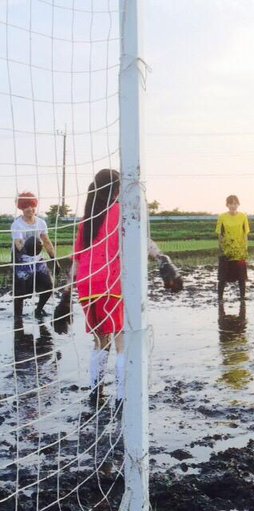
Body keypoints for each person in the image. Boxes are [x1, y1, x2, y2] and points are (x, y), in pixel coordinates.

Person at [70, 169, 124, 407]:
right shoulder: (121, 212)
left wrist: (65, 295)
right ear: (117, 189)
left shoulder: (87, 218)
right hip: (111, 284)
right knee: (122, 341)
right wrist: (163, 260)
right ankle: (122, 397)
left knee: (100, 341)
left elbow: (76, 260)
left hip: (87, 286)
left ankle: (95, 391)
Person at [11, 192, 58, 336]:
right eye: (26, 206)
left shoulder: (41, 222)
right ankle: (17, 318)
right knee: (20, 292)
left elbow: (46, 241)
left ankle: (38, 310)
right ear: (21, 208)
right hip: (21, 260)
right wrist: (29, 246)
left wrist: (54, 258)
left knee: (49, 286)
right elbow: (18, 244)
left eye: (31, 205)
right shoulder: (17, 225)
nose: (29, 209)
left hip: (37, 260)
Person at [216, 195, 250, 302]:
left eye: (235, 203)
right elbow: (219, 234)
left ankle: (242, 298)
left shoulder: (243, 216)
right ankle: (220, 299)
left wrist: (245, 249)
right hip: (226, 251)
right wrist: (221, 249)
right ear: (227, 205)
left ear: (238, 204)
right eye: (231, 203)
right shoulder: (222, 217)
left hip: (239, 251)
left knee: (241, 277)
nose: (233, 206)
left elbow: (245, 234)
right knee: (222, 277)